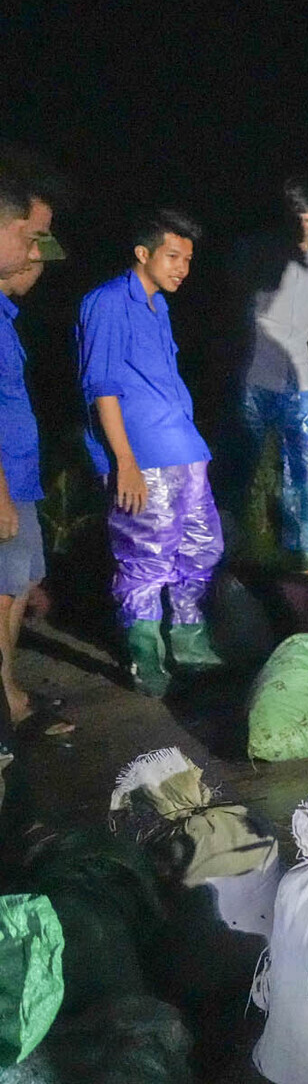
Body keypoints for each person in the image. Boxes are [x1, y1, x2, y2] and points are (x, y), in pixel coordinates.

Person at [76, 210, 225, 696]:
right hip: (143, 455)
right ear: (143, 254)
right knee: (147, 556)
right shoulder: (106, 303)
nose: (182, 267)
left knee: (202, 547)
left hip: (182, 447)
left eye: (187, 259)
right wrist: (124, 462)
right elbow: (102, 388)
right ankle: (145, 657)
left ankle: (189, 640)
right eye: (173, 256)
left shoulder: (158, 307)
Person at [223, 175, 308, 575]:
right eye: (299, 219)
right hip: (252, 374)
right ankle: (221, 544)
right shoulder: (254, 250)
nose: (305, 228)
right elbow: (230, 310)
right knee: (238, 465)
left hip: (300, 376)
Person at [0, 151, 65, 727]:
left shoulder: (5, 317)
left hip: (18, 478)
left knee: (15, 590)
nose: (35, 254)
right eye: (31, 238)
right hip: (3, 485)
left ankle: (10, 695)